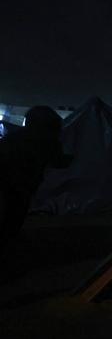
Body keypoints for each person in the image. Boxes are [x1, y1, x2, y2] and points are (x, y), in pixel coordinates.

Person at [0, 106, 70, 254]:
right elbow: (59, 162)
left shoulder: (15, 138)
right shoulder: (49, 142)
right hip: (22, 184)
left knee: (11, 213)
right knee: (15, 214)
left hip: (12, 183)